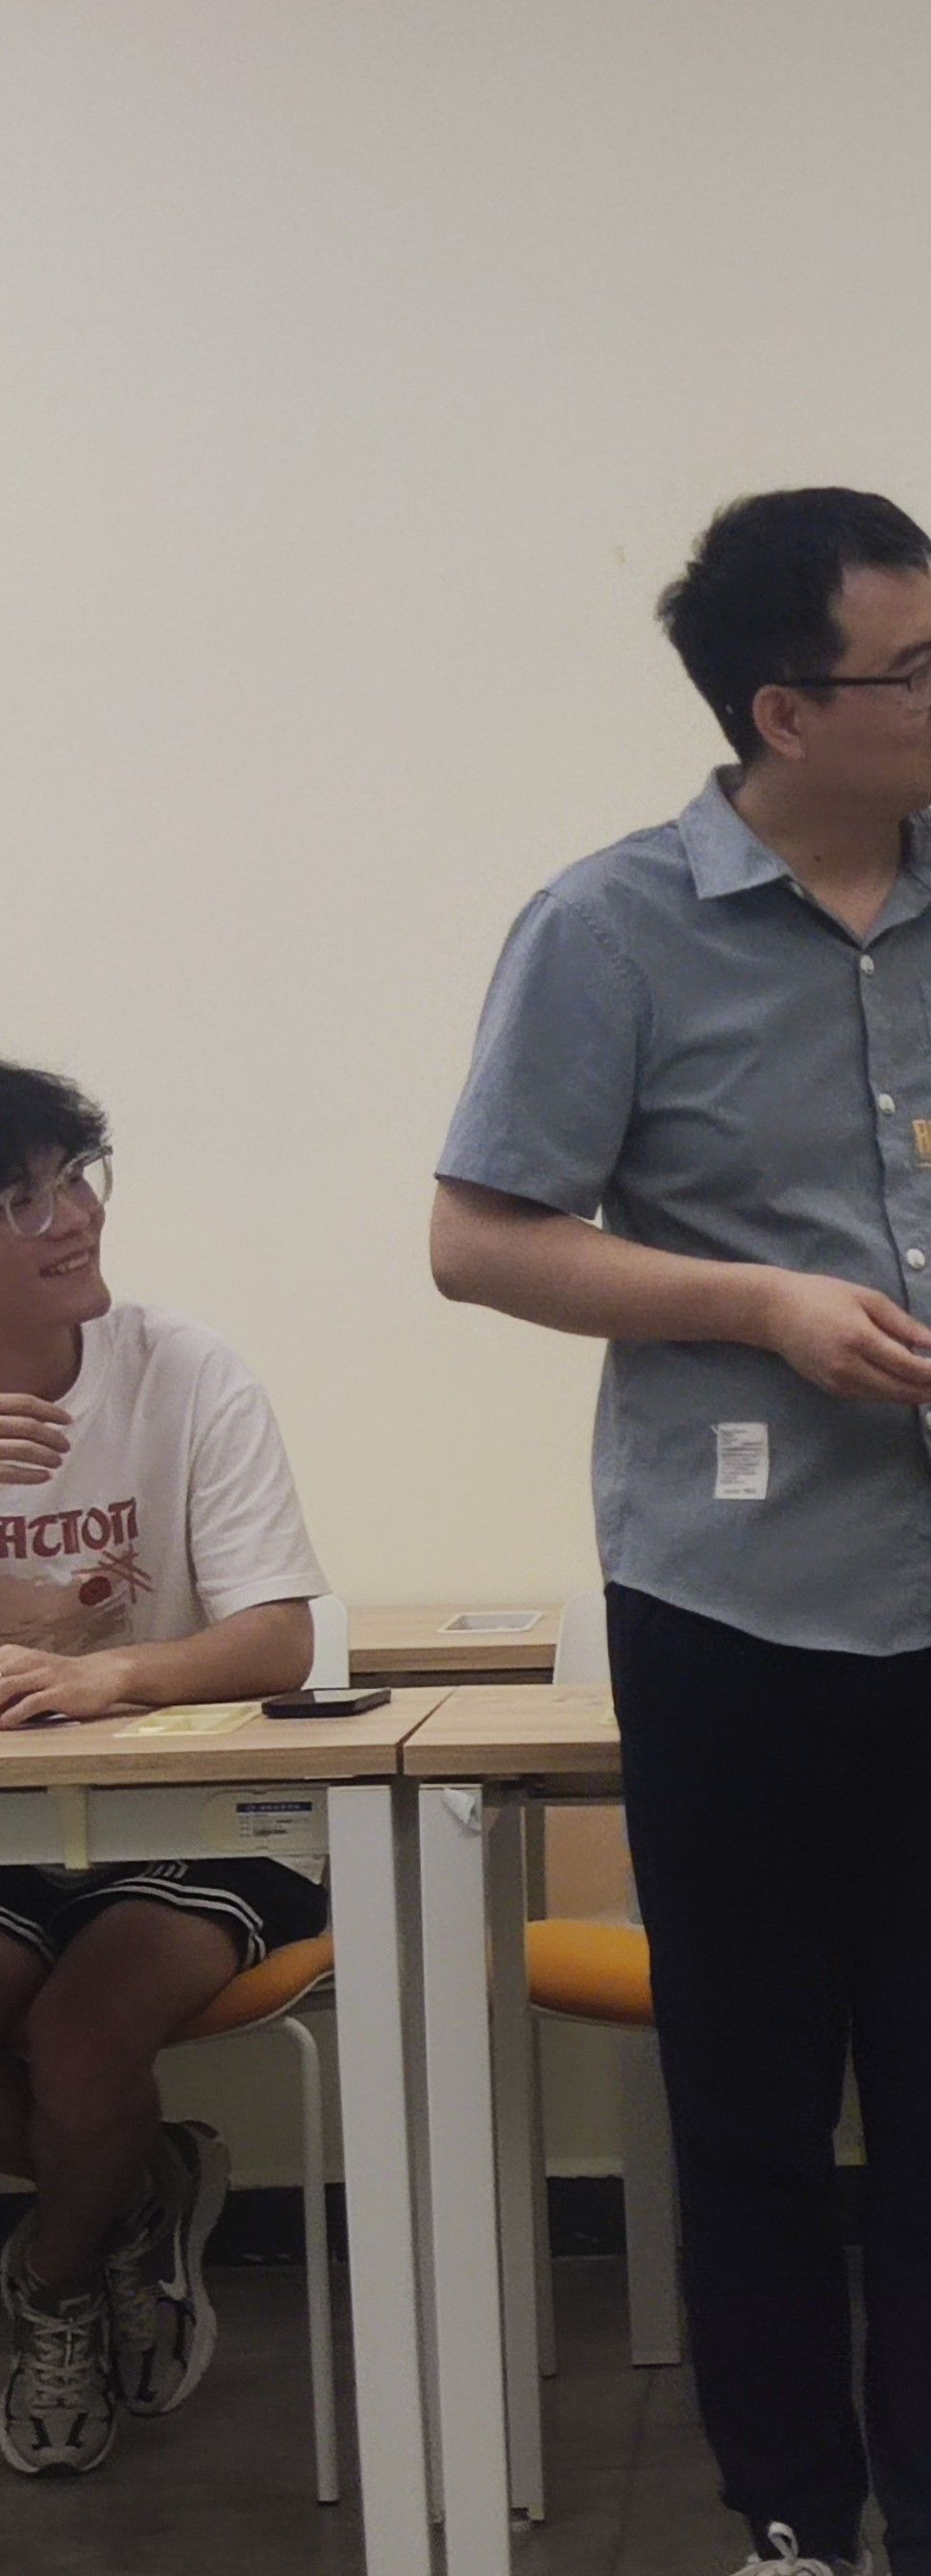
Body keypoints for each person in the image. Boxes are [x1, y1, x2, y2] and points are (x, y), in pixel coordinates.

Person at [429, 490, 931, 2576]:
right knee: (750, 2116)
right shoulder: (606, 927)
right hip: (731, 1611)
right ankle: (790, 2523)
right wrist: (758, 1308)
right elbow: (479, 1239)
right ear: (779, 710)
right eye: (914, 667)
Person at [0, 1061, 328, 2479]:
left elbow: (279, 1635)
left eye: (75, 1180)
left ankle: (54, 2284)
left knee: (80, 2037)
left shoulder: (183, 1369)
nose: (71, 1217)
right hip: (14, 1832)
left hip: (201, 1820)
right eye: (21, 1199)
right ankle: (141, 2187)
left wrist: (113, 1675)